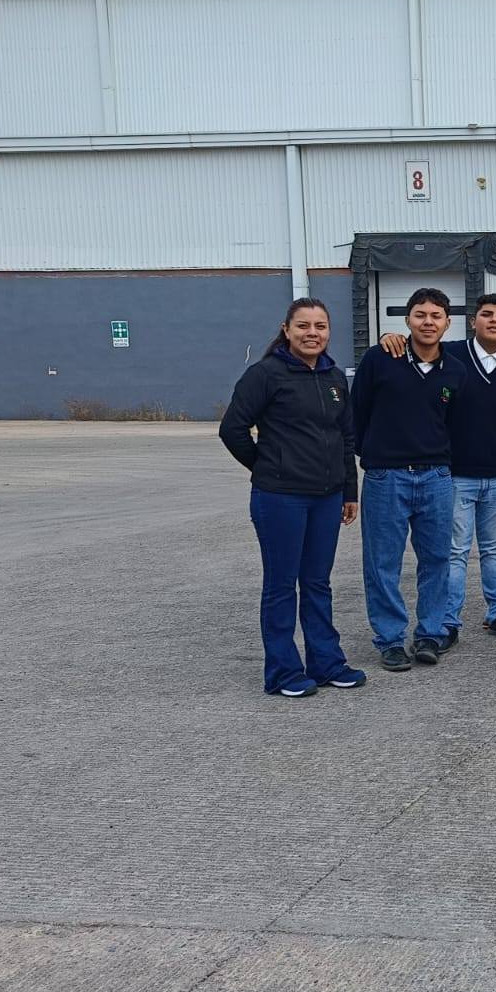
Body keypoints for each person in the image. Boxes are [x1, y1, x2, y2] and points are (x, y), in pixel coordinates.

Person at [219, 298, 365, 698]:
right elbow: (233, 429)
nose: (312, 333)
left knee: (318, 582)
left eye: (320, 326)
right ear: (287, 330)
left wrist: (349, 490)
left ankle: (326, 663)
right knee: (282, 585)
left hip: (327, 498)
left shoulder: (334, 377)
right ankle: (283, 672)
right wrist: (268, 467)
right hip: (280, 498)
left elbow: (345, 437)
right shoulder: (266, 374)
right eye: (303, 326)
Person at [377, 296, 496, 644]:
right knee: (453, 551)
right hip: (456, 476)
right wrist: (388, 338)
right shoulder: (450, 356)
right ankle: (448, 622)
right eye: (486, 315)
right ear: (472, 321)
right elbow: (417, 348)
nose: (494, 321)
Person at [352, 287, 465, 671]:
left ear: (447, 323)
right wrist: (375, 454)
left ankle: (430, 634)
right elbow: (357, 412)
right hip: (387, 477)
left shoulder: (455, 370)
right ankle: (390, 641)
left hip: (436, 478)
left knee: (437, 559)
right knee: (383, 563)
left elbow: (454, 425)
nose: (428, 322)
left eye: (436, 316)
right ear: (407, 319)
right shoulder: (381, 359)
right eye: (420, 314)